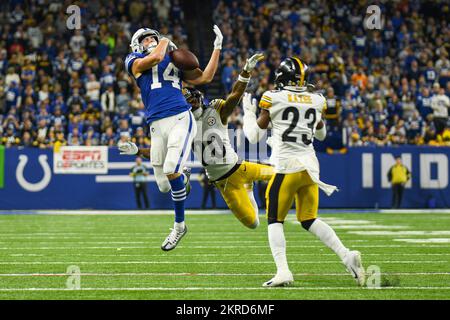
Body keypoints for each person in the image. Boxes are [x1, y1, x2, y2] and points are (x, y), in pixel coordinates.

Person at [243, 57, 365, 287]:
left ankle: (283, 271)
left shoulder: (273, 97)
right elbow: (320, 135)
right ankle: (346, 255)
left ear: (281, 77)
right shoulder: (317, 100)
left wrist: (249, 114)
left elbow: (253, 136)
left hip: (286, 167)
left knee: (274, 220)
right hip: (310, 168)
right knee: (309, 219)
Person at [119, 53, 274, 229]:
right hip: (221, 181)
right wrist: (138, 151)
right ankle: (247, 189)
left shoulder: (215, 111)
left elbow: (235, 95)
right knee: (253, 223)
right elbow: (159, 154)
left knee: (283, 174)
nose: (192, 102)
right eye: (188, 100)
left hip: (239, 166)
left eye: (192, 98)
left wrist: (246, 71)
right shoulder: (182, 125)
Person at [122, 25, 223, 251]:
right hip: (155, 124)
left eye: (153, 38)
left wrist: (217, 47)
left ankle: (179, 226)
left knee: (170, 168)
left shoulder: (173, 60)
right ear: (137, 44)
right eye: (146, 39)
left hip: (179, 116)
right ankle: (183, 178)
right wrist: (164, 41)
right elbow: (155, 57)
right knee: (164, 186)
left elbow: (205, 77)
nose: (150, 41)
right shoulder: (134, 59)